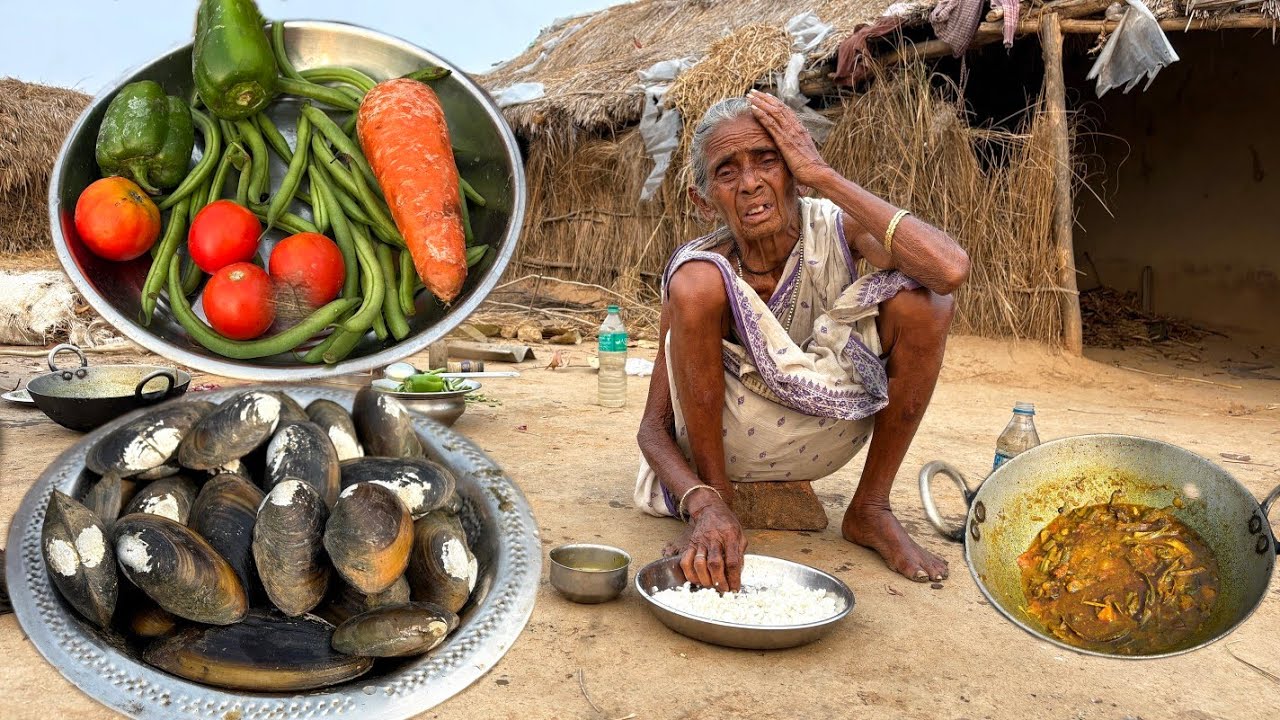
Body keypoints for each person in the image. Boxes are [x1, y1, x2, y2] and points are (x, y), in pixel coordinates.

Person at [634, 90, 970, 591]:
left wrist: (824, 176)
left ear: (793, 170)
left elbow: (949, 270)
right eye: (727, 172)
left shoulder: (835, 230)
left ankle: (870, 506)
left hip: (831, 434)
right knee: (696, 283)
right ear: (703, 201)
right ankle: (724, 500)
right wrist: (704, 504)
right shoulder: (698, 277)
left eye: (768, 160)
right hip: (722, 452)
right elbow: (652, 430)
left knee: (928, 301)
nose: (751, 183)